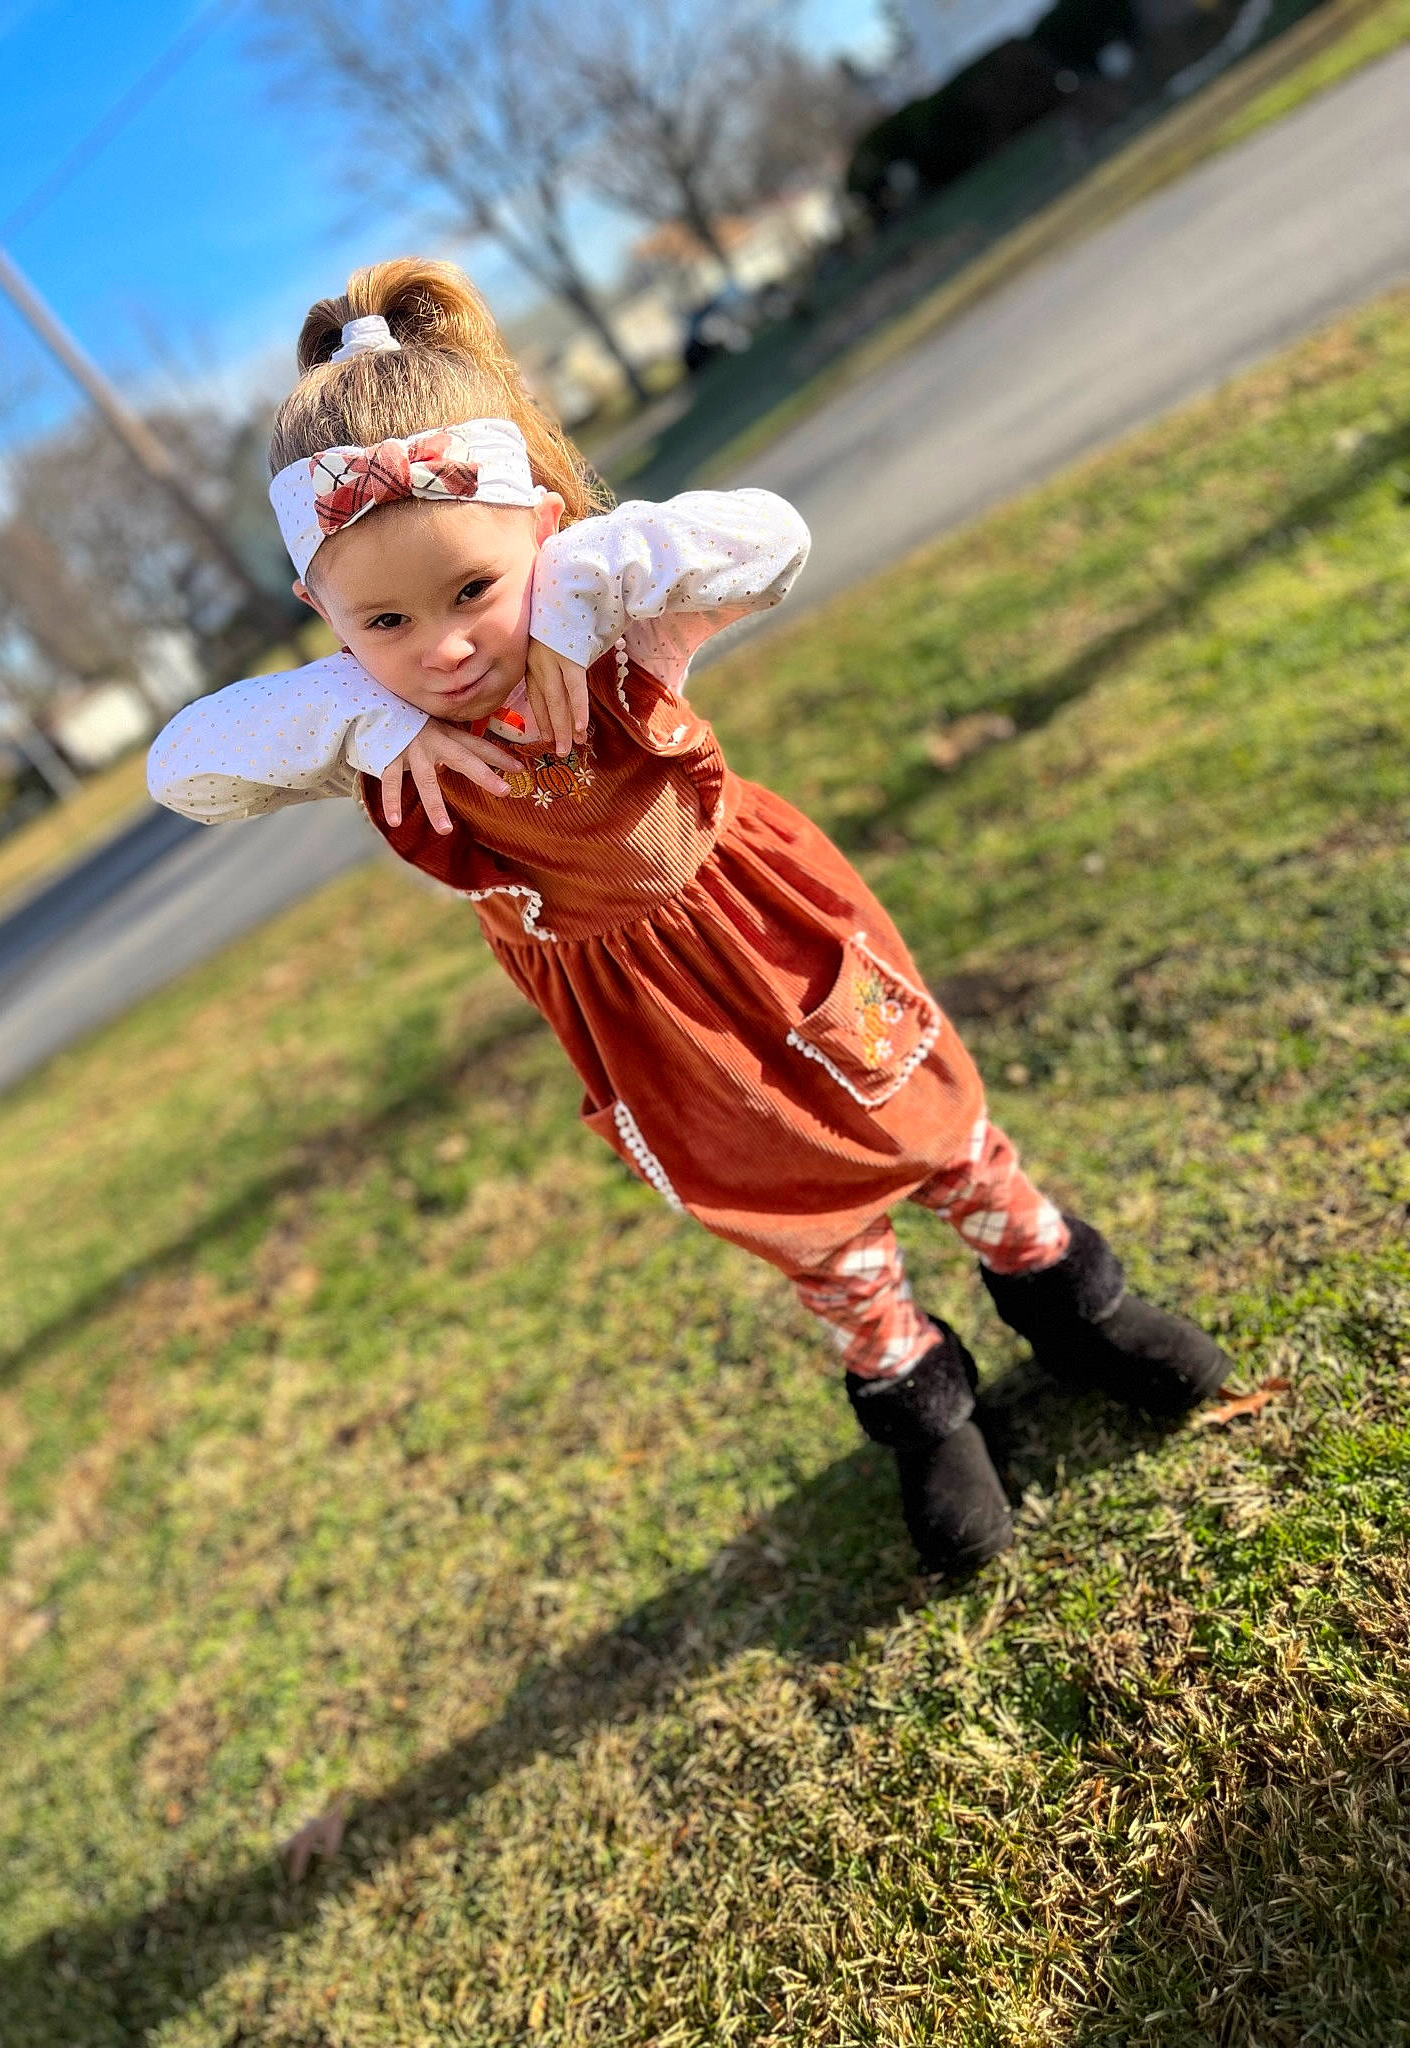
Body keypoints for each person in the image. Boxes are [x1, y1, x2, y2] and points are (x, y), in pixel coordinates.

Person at [149, 259, 1233, 1577]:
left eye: (472, 590)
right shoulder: (375, 728)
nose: (442, 647)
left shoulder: (616, 631)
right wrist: (364, 716)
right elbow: (183, 770)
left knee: (920, 1110)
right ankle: (913, 1389)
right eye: (386, 619)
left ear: (541, 528)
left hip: (761, 919)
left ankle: (1063, 1296)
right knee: (788, 1191)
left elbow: (771, 537)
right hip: (640, 1012)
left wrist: (567, 594)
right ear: (324, 617)